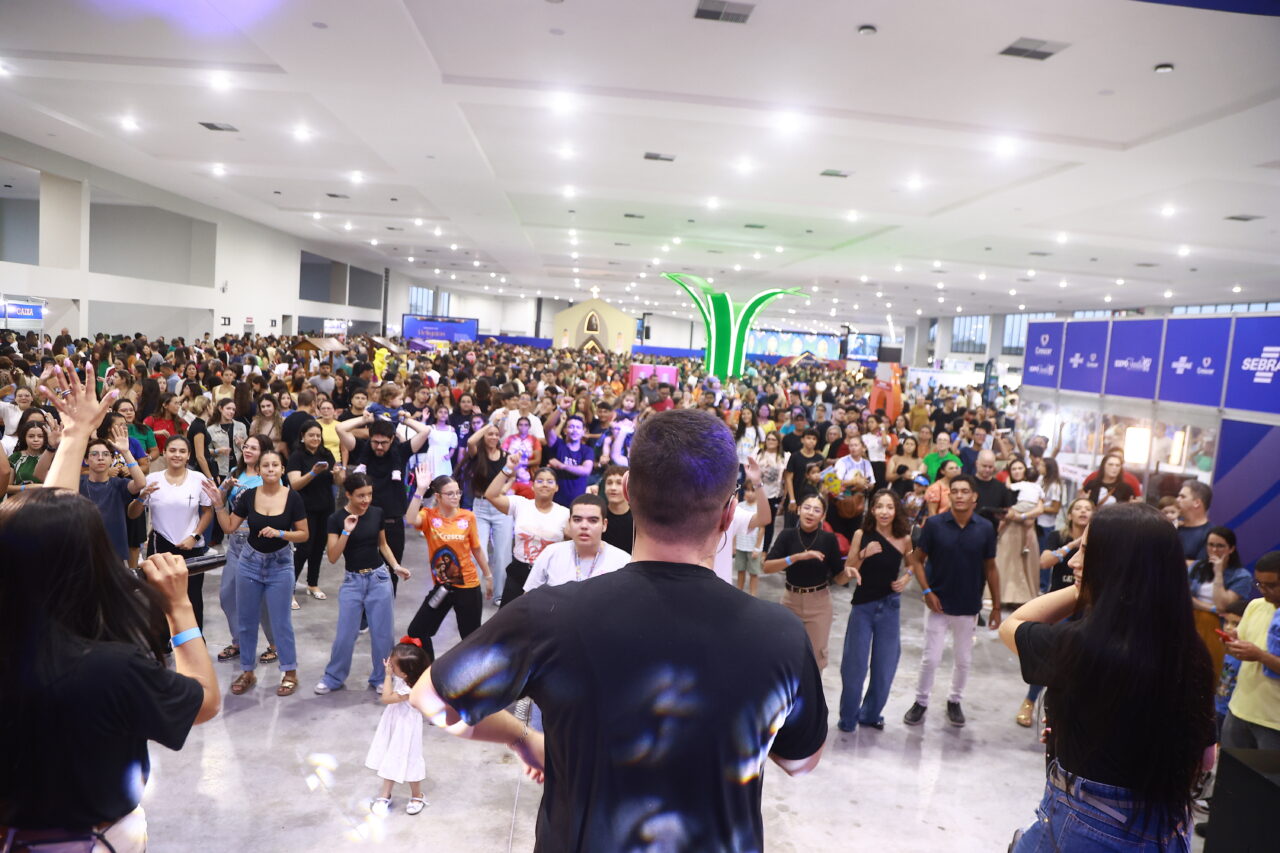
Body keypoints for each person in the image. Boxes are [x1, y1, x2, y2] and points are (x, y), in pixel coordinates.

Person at [409, 408, 827, 852]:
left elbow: (430, 699)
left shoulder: (549, 614)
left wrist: (521, 736)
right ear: (727, 513)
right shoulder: (780, 634)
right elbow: (801, 762)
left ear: (626, 491)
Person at [1, 363, 218, 852]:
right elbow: (204, 702)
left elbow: (47, 531)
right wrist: (179, 609)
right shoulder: (108, 666)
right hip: (93, 839)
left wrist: (75, 434)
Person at [999, 503, 1216, 852]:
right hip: (1167, 829)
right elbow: (1206, 758)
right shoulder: (1192, 651)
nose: (1074, 562)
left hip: (1085, 824)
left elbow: (1012, 626)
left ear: (1118, 564)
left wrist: (1084, 589)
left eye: (1086, 551)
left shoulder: (1085, 645)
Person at [209, 448, 308, 697]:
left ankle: (290, 672)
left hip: (280, 564)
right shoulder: (249, 495)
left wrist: (280, 533)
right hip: (250, 562)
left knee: (281, 622)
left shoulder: (293, 497)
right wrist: (219, 504)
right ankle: (247, 671)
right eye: (266, 465)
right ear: (260, 470)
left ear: (282, 470)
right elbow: (229, 527)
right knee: (246, 620)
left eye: (275, 465)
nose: (271, 469)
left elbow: (304, 534)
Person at [904, 474, 1001, 728]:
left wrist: (996, 607)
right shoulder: (934, 525)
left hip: (968, 605)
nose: (959, 495)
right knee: (931, 658)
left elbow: (991, 568)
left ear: (974, 496)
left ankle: (955, 701)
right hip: (938, 603)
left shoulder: (985, 528)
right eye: (955, 491)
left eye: (964, 491)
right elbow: (916, 559)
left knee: (963, 660)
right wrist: (927, 592)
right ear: (949, 495)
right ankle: (920, 701)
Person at [314, 473, 411, 695]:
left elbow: (383, 545)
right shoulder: (336, 519)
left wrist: (395, 566)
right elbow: (333, 556)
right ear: (348, 494)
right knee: (345, 635)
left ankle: (382, 677)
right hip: (352, 581)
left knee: (383, 635)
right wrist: (346, 531)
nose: (366, 500)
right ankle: (333, 677)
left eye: (369, 494)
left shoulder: (377, 513)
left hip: (379, 578)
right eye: (360, 496)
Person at [838, 489, 916, 732]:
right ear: (872, 510)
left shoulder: (904, 538)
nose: (884, 512)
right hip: (863, 606)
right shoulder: (861, 534)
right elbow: (847, 571)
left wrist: (907, 577)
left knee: (885, 667)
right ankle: (848, 718)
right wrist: (864, 553)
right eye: (879, 506)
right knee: (854, 667)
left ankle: (871, 714)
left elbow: (913, 564)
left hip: (890, 606)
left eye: (889, 507)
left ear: (896, 511)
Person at [404, 469, 494, 658]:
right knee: (417, 630)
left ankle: (469, 673)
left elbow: (477, 549)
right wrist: (420, 490)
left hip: (468, 587)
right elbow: (411, 519)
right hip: (442, 587)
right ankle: (430, 669)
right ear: (437, 496)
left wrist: (488, 575)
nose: (456, 497)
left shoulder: (468, 517)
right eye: (450, 493)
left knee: (470, 639)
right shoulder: (429, 516)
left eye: (458, 492)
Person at [763, 494, 852, 670]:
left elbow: (838, 578)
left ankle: (811, 689)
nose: (810, 513)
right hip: (790, 601)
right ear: (799, 510)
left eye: (817, 510)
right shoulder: (787, 535)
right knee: (786, 655)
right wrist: (796, 557)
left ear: (823, 516)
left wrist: (848, 573)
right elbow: (767, 567)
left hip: (819, 604)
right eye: (807, 508)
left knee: (815, 659)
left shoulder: (828, 539)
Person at [142, 436, 214, 628]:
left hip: (191, 546)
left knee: (193, 599)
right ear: (164, 452)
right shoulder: (152, 479)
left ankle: (194, 640)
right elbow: (133, 513)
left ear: (189, 455)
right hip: (160, 546)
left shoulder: (198, 479)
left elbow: (208, 511)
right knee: (159, 599)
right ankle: (161, 641)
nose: (177, 455)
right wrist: (140, 498)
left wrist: (194, 536)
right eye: (172, 450)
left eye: (182, 451)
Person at [484, 457, 569, 606]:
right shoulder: (520, 504)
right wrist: (508, 468)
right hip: (518, 571)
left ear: (557, 487)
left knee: (540, 617)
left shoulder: (565, 513)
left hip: (547, 576)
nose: (545, 484)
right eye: (540, 481)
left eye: (550, 482)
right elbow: (491, 495)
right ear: (533, 486)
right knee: (507, 616)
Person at [1220, 551, 1280, 750]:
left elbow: (1256, 655)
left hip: (1274, 723)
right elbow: (1242, 651)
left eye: (1271, 585)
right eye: (1259, 584)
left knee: (1268, 772)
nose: (1263, 590)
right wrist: (1232, 644)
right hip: (1238, 710)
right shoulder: (1255, 605)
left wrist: (1260, 656)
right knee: (1231, 770)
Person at [367, 638, 432, 817]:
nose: (389, 665)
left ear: (404, 672)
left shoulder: (410, 688)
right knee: (391, 755)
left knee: (411, 758)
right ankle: (385, 794)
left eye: (393, 665)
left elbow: (386, 698)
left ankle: (417, 795)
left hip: (407, 727)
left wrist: (387, 676)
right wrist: (392, 673)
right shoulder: (406, 678)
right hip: (395, 722)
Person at [1188, 527, 1254, 687]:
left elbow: (1223, 606)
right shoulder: (1196, 567)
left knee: (1212, 674)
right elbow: (1184, 596)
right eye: (1211, 545)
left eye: (1220, 546)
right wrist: (1210, 608)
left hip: (1220, 628)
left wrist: (1218, 572)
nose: (1214, 550)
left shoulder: (1242, 576)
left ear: (1231, 549)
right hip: (1191, 622)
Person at [523, 494, 630, 592]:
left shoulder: (622, 561)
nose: (584, 526)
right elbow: (528, 598)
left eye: (593, 520)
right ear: (569, 522)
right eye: (577, 520)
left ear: (604, 525)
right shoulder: (551, 553)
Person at [286, 421, 340, 599]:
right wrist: (313, 472)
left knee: (318, 547)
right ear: (303, 436)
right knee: (304, 548)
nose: (315, 438)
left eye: (318, 435)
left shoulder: (326, 453)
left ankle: (313, 583)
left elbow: (337, 482)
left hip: (326, 506)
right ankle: (289, 588)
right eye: (311, 435)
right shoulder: (297, 456)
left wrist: (338, 474)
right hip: (304, 508)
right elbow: (295, 484)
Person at [466, 420, 514, 598]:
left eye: (496, 434)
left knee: (502, 555)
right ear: (484, 435)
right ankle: (475, 594)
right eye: (490, 434)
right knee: (479, 552)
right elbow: (471, 441)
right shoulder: (477, 454)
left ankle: (500, 595)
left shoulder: (506, 455)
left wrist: (505, 488)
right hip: (481, 507)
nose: (493, 437)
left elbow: (513, 476)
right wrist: (491, 423)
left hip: (501, 507)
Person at [996, 458, 1044, 608]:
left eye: (1020, 468)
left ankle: (1024, 598)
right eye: (1014, 469)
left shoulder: (1033, 488)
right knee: (1007, 563)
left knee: (1027, 563)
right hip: (1009, 530)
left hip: (1027, 529)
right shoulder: (1006, 489)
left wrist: (1021, 516)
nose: (1017, 471)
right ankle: (1004, 597)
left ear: (1025, 470)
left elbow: (1040, 509)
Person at [544, 412, 593, 508]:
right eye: (571, 427)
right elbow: (547, 428)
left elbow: (586, 470)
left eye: (578, 427)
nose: (574, 430)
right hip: (555, 501)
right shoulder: (557, 445)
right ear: (565, 430)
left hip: (577, 503)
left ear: (583, 431)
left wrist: (562, 466)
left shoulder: (587, 450)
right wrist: (560, 409)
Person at [755, 430, 788, 549]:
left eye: (773, 439)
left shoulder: (784, 456)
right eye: (768, 439)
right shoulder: (758, 453)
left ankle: (765, 549)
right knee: (755, 521)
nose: (770, 441)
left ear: (778, 442)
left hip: (774, 495)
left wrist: (784, 498)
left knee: (769, 522)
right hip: (757, 493)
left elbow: (786, 479)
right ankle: (753, 548)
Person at [733, 480, 766, 596]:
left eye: (753, 490)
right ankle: (739, 593)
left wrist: (757, 548)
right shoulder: (740, 506)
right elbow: (735, 526)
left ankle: (753, 595)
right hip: (741, 545)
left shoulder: (760, 508)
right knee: (740, 570)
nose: (749, 493)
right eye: (747, 490)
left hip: (753, 547)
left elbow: (762, 529)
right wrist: (734, 545)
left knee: (753, 573)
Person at [1175, 480, 1213, 565]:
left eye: (1182, 497)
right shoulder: (1173, 526)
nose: (1177, 500)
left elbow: (1202, 566)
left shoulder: (1210, 533)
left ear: (1196, 503)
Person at [600, 465, 633, 552]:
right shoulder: (598, 516)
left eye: (619, 483)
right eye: (609, 483)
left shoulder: (638, 519)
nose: (613, 488)